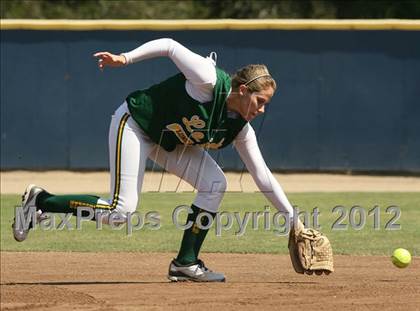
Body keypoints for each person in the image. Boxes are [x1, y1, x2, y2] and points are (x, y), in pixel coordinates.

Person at [12, 38, 302, 282]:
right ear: (243, 90)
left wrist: (294, 222)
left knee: (214, 184)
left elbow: (262, 176)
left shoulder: (240, 128)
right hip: (136, 123)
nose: (262, 109)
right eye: (260, 101)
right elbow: (169, 45)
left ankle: (185, 264)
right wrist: (124, 59)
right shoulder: (208, 80)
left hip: (168, 140)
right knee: (121, 212)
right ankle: (40, 201)